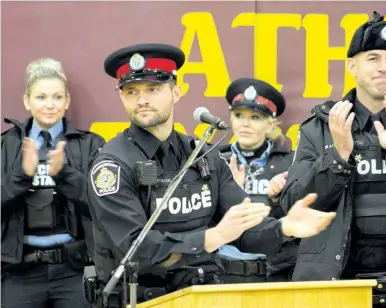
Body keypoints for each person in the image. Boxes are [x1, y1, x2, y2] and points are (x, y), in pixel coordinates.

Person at [85, 43, 336, 307]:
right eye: (131, 91)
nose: (142, 99)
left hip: (203, 296)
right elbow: (134, 251)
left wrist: (284, 228)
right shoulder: (111, 166)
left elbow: (243, 226)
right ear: (122, 97)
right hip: (141, 298)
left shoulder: (203, 155)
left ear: (176, 92)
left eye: (153, 89)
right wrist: (212, 237)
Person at [280, 11, 386, 308]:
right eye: (373, 58)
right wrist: (339, 157)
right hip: (339, 289)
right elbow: (293, 206)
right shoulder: (320, 128)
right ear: (352, 66)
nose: (384, 67)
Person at [1, 58, 105, 308]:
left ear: (67, 100)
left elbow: (103, 206)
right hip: (19, 273)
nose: (50, 105)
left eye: (57, 97)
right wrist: (21, 176)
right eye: (41, 97)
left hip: (74, 271)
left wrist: (65, 175)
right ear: (27, 100)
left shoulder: (90, 144)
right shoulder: (6, 146)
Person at [217, 78, 297, 283]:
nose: (245, 124)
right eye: (238, 115)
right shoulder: (213, 160)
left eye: (255, 117)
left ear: (270, 123)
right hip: (224, 271)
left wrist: (277, 199)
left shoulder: (291, 162)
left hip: (275, 272)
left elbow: (299, 221)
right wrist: (226, 192)